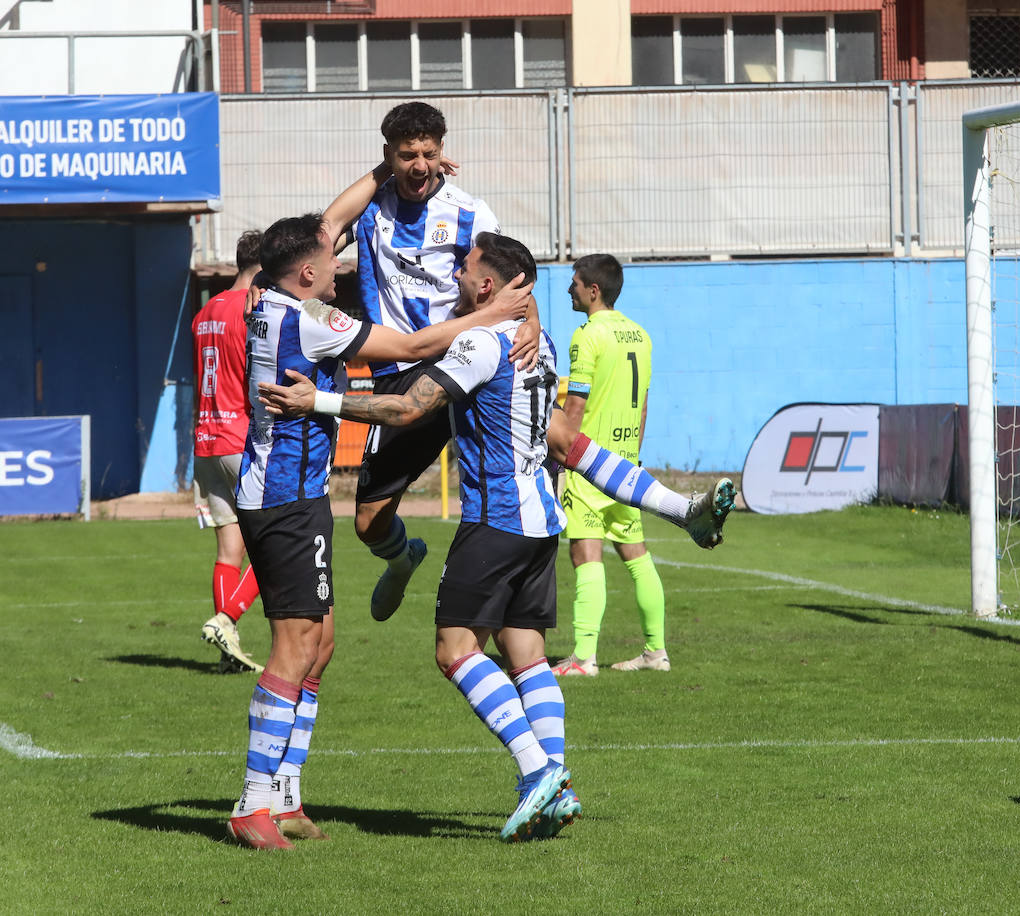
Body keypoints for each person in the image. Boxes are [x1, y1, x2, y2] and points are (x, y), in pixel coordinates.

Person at [258, 233, 737, 840]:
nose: (455, 274)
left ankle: (537, 771)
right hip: (542, 523)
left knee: (455, 651)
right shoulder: (541, 345)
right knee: (528, 657)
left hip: (496, 522)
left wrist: (318, 400)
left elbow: (408, 409)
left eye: (465, 267)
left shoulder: (480, 343)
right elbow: (566, 441)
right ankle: (557, 780)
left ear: (487, 285)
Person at [226, 213, 535, 850]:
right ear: (307, 272)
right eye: (330, 259)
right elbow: (416, 349)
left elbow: (327, 225)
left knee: (320, 645)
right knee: (294, 645)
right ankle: (253, 803)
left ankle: (285, 797)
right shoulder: (312, 319)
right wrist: (500, 311)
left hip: (294, 495)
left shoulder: (268, 303)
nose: (341, 268)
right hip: (284, 498)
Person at [324, 101, 511, 624]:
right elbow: (321, 235)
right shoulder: (370, 209)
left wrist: (533, 321)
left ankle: (677, 510)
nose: (420, 165)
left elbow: (513, 274)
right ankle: (404, 559)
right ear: (388, 156)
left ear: (442, 152)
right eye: (407, 155)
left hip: (463, 359)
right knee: (367, 524)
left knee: (552, 441)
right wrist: (254, 285)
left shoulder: (471, 211)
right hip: (397, 371)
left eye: (429, 153)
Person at [553, 253, 669, 678]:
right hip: (625, 463)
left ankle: (584, 658)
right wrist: (632, 460)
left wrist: (561, 458)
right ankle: (656, 651)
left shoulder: (587, 336)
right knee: (636, 555)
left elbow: (576, 404)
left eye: (575, 283)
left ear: (593, 290)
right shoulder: (640, 335)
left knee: (585, 554)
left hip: (589, 464)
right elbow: (641, 407)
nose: (571, 289)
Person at [193, 230, 264, 674]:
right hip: (241, 440)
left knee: (228, 550)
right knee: (276, 548)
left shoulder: (205, 312)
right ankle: (227, 618)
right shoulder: (252, 311)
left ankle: (228, 653)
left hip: (205, 440)